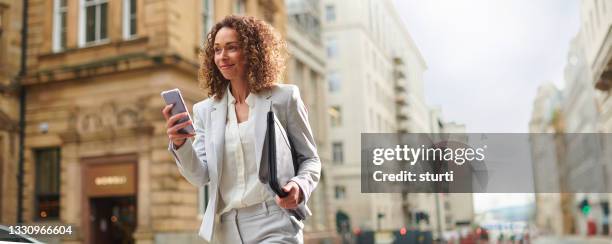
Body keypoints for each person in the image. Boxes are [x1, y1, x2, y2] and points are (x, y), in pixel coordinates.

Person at [162, 15, 321, 243]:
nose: (222, 57)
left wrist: (298, 185)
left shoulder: (284, 98)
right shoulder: (205, 111)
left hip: (275, 220)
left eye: (231, 48)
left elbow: (310, 159)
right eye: (217, 50)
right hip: (228, 228)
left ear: (252, 52)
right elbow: (200, 175)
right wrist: (180, 144)